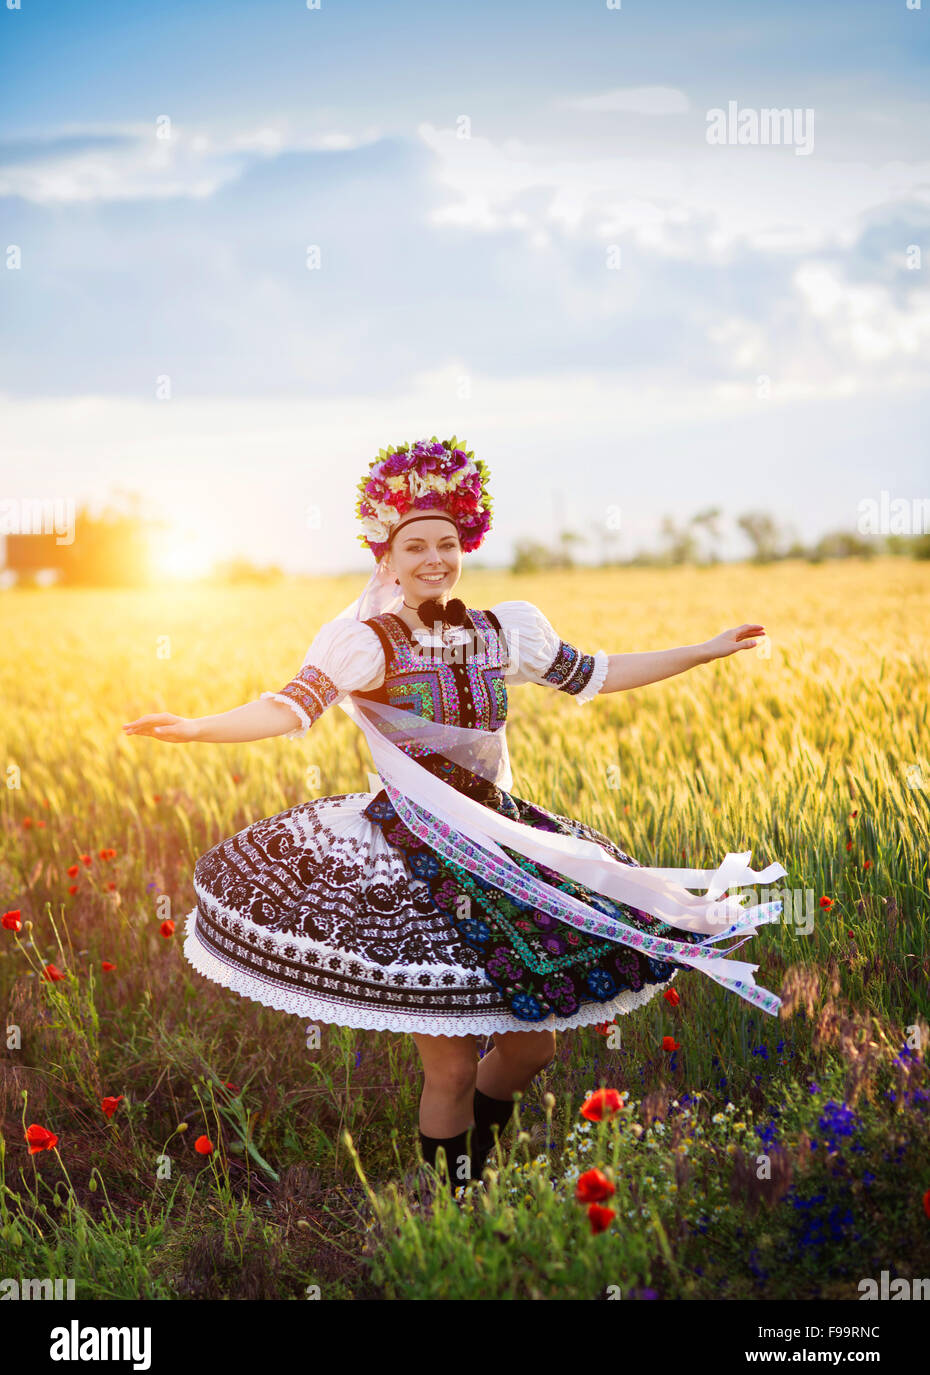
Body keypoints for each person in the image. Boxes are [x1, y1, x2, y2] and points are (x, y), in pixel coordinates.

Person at [123, 435, 786, 1195]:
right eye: (416, 545)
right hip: (410, 851)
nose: (434, 557)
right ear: (388, 558)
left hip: (501, 842)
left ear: (463, 545)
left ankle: (478, 1152)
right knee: (447, 1064)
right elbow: (285, 709)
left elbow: (600, 674)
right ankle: (453, 1205)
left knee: (531, 1049)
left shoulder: (503, 632)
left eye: (447, 542)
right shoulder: (366, 644)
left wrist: (704, 651)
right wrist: (196, 727)